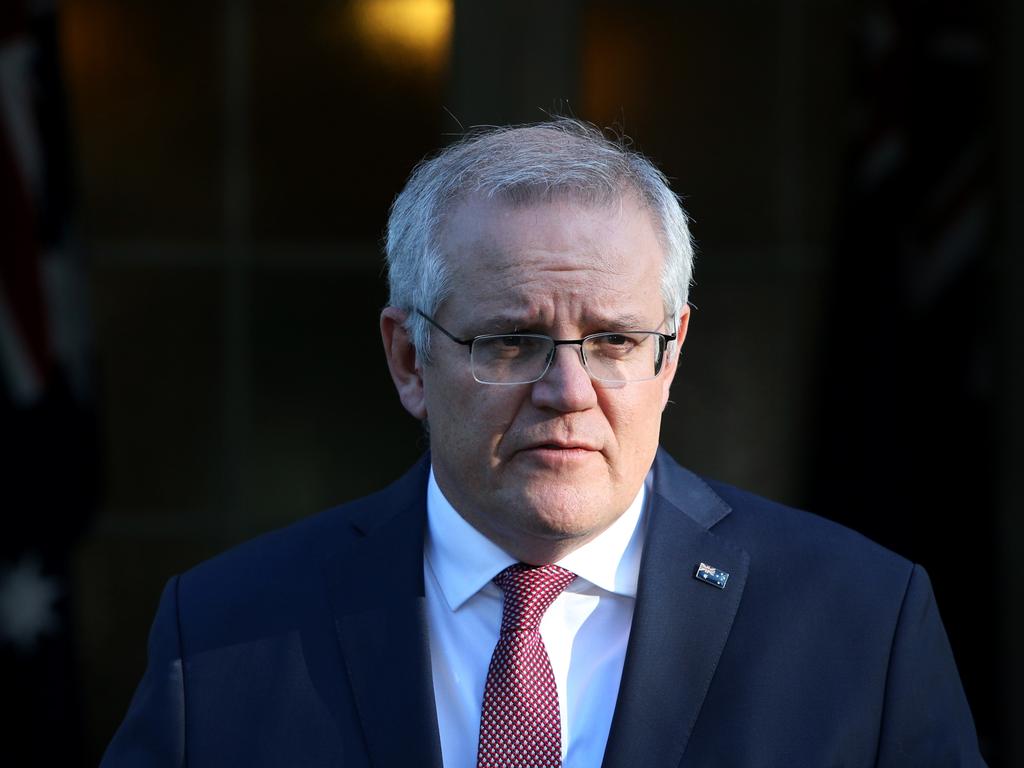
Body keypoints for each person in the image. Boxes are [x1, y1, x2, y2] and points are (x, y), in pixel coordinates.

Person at [102, 119, 985, 767]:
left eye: (613, 342)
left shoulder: (863, 625)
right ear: (410, 359)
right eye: (511, 342)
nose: (568, 393)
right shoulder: (221, 636)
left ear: (670, 355)